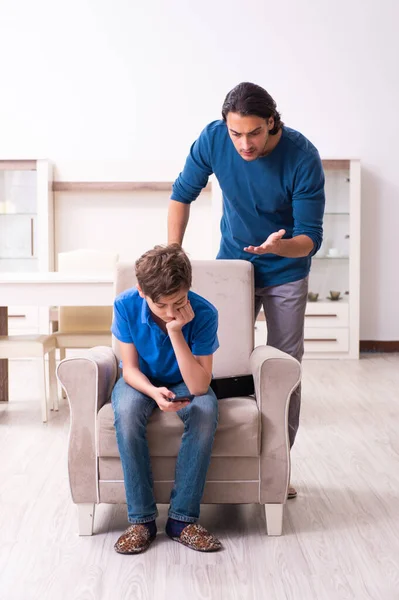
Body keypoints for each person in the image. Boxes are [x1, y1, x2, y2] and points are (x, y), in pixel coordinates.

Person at [168, 82, 325, 498]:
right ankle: (222, 462)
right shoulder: (213, 138)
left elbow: (310, 237)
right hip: (233, 266)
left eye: (253, 133)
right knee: (219, 356)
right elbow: (181, 194)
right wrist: (173, 253)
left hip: (287, 269)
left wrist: (280, 246)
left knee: (282, 365)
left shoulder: (302, 156)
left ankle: (278, 467)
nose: (244, 143)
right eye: (236, 133)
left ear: (272, 122)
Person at [111, 244, 222, 554]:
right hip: (140, 382)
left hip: (185, 381)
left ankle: (182, 520)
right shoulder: (125, 305)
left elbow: (200, 385)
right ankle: (142, 521)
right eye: (163, 305)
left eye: (180, 301)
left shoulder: (204, 313)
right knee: (127, 411)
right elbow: (129, 369)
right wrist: (152, 392)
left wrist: (175, 331)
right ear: (142, 292)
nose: (173, 311)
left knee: (205, 410)